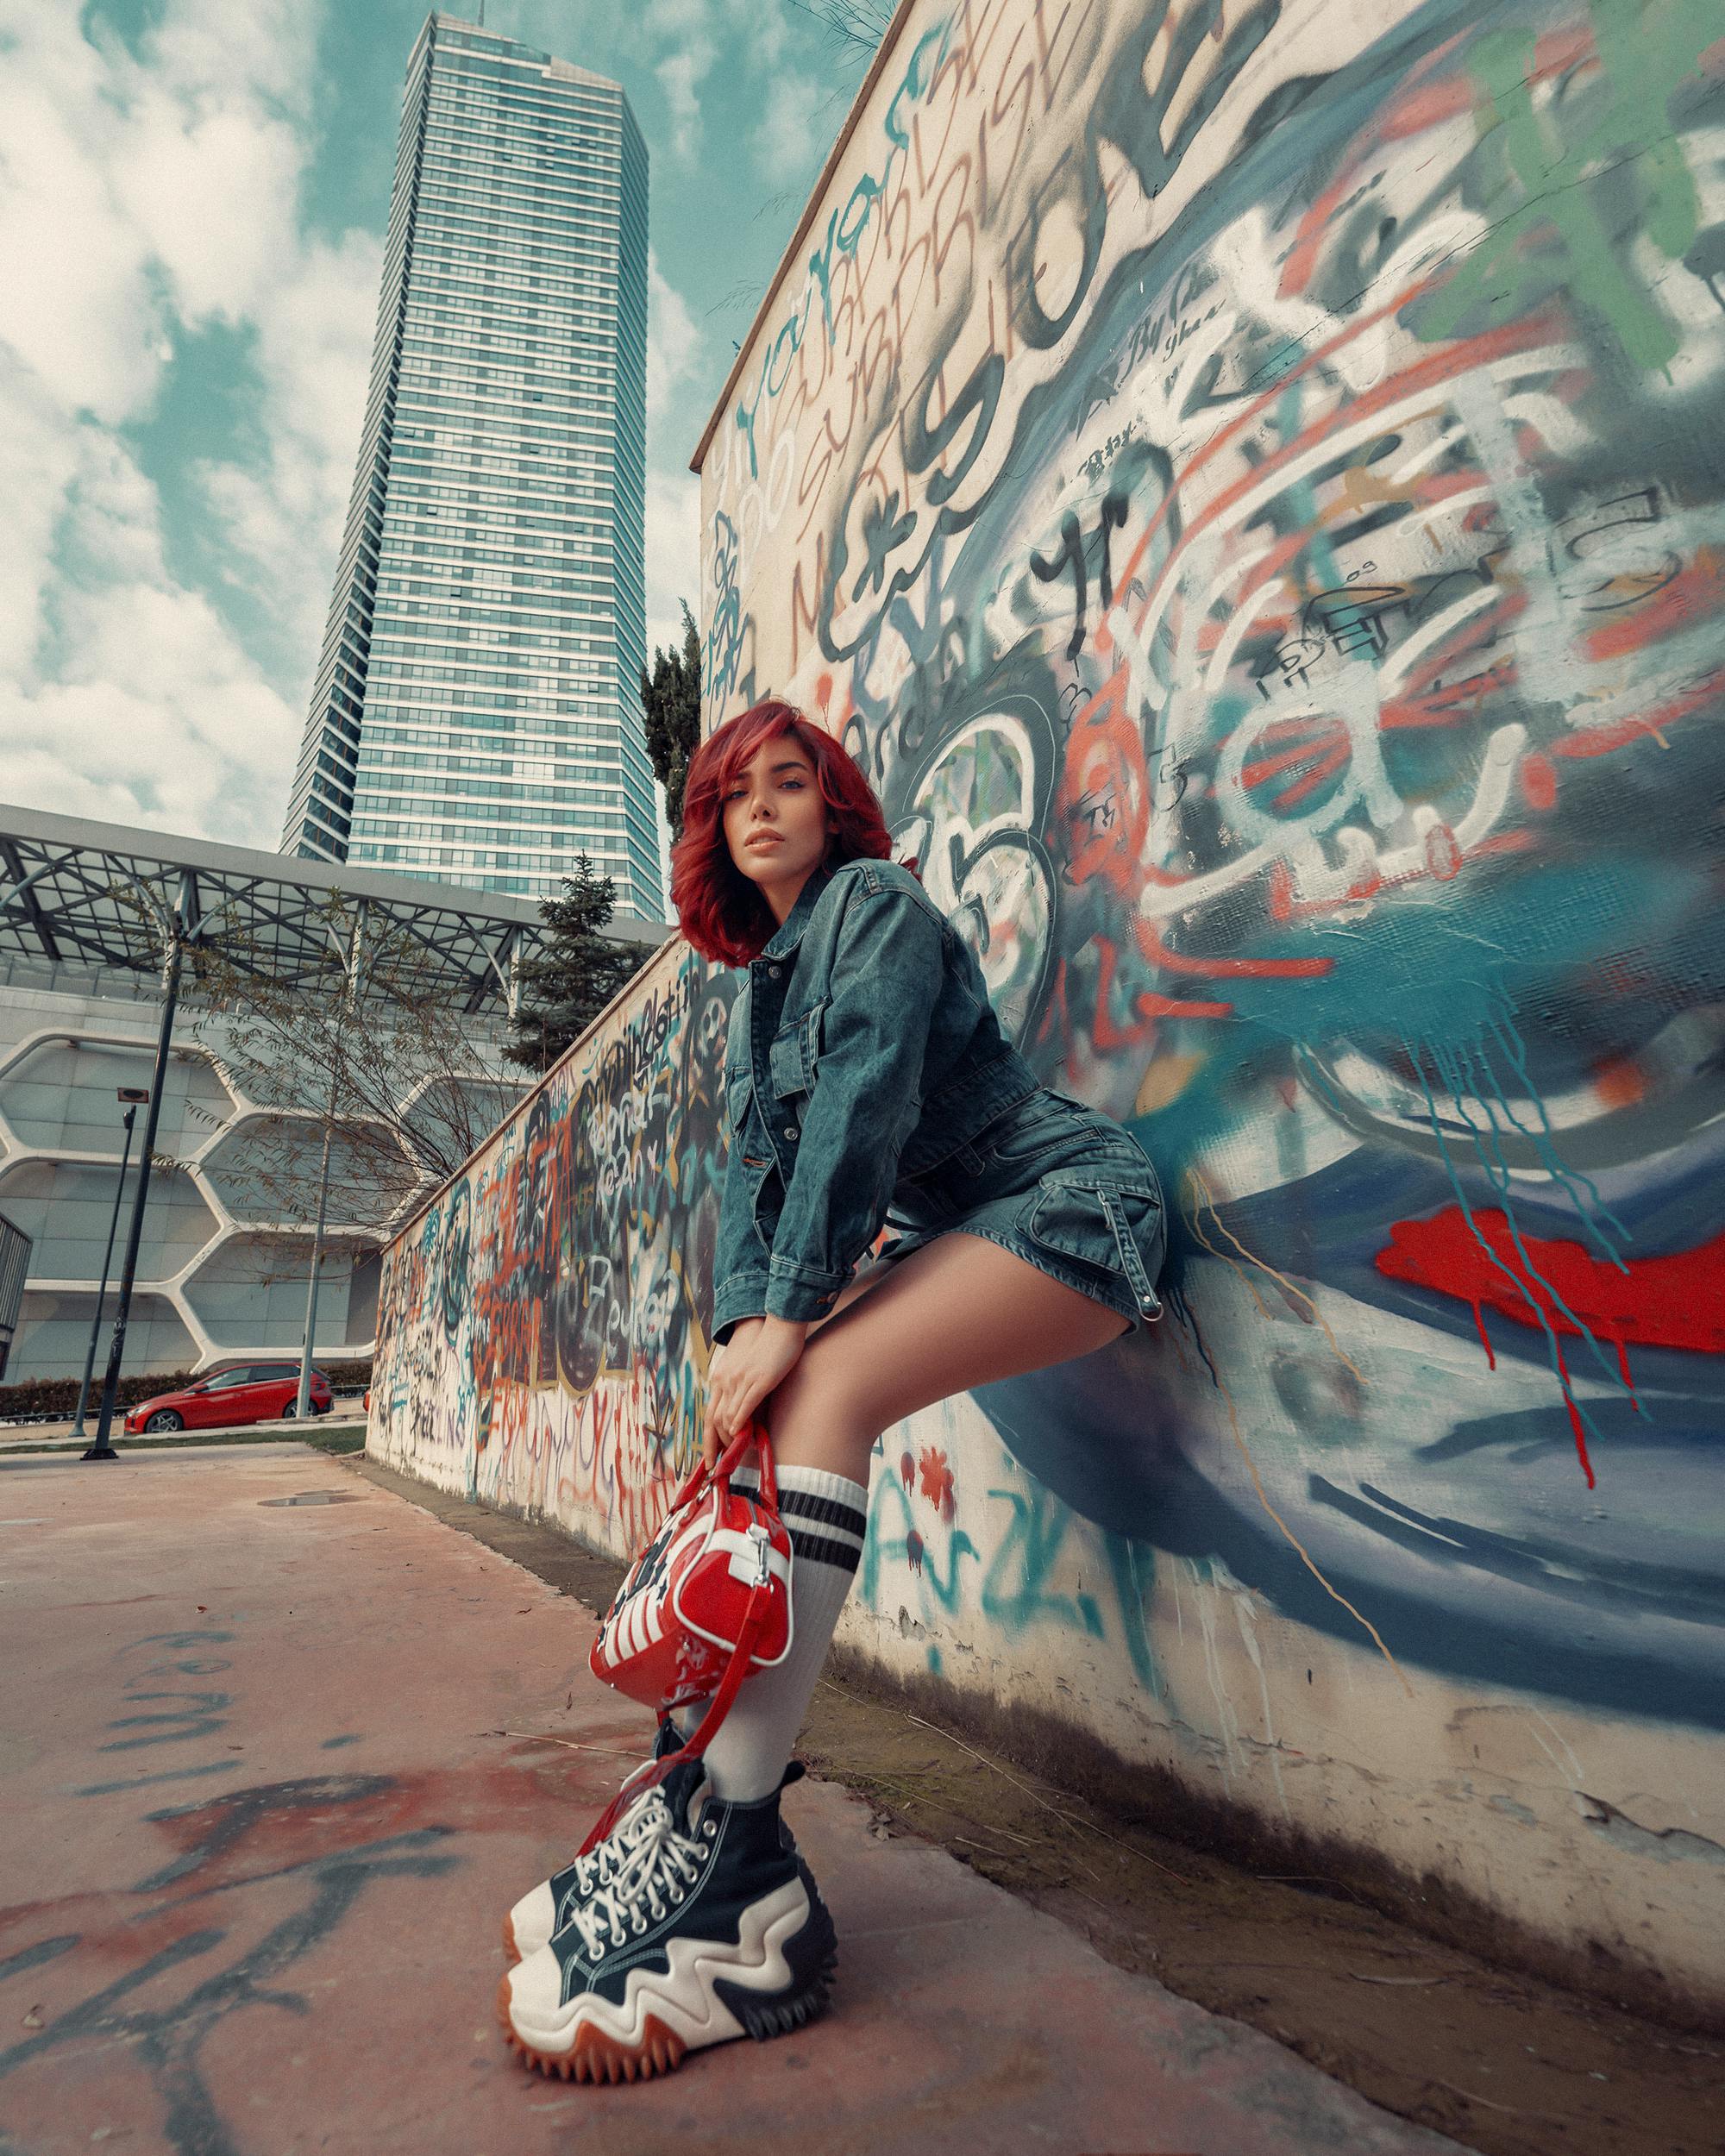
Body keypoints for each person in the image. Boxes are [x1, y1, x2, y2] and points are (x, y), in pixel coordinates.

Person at [497, 699, 1165, 2083]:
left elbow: (862, 1097)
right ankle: (695, 1804)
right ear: (712, 835)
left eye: (789, 785)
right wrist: (747, 1332)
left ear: (832, 805)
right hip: (963, 1235)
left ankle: (737, 1863)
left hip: (1075, 1212)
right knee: (770, 1425)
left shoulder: (878, 905)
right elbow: (758, 1183)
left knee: (827, 1390)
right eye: (734, 797)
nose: (762, 811)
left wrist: (793, 1316)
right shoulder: (757, 986)